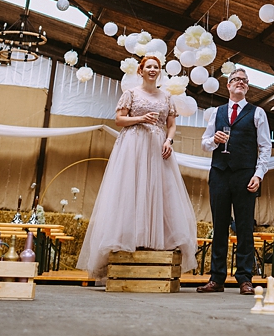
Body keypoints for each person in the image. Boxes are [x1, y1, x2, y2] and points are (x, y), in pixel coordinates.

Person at [76, 55, 198, 278]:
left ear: (159, 72)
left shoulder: (167, 97)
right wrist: (141, 118)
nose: (152, 70)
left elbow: (172, 125)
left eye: (156, 67)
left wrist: (169, 141)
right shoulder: (130, 93)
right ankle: (125, 245)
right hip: (134, 146)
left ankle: (156, 248)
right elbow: (119, 120)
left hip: (158, 147)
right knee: (130, 190)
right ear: (141, 71)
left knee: (160, 192)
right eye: (148, 66)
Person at [196, 68, 272, 294]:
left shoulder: (258, 113)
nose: (240, 82)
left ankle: (244, 278)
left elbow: (265, 146)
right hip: (219, 173)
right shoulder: (216, 112)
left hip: (245, 175)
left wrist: (258, 175)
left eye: (244, 81)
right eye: (235, 80)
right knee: (219, 226)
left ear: (247, 87)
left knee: (245, 226)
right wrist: (214, 139)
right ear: (228, 86)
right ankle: (217, 278)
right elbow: (204, 143)